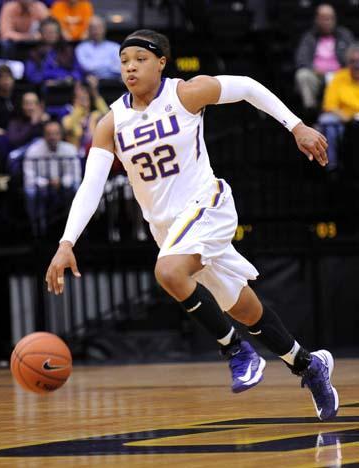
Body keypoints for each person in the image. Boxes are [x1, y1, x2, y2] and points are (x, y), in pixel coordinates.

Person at [46, 30, 340, 421]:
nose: (130, 66)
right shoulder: (110, 123)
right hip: (169, 229)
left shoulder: (185, 93)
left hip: (207, 205)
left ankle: (235, 350)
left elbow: (248, 87)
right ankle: (308, 365)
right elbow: (91, 185)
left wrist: (296, 126)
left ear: (162, 62)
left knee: (167, 271)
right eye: (124, 61)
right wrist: (67, 242)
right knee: (243, 307)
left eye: (140, 58)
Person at [23, 120, 80, 235]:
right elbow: (29, 180)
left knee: (77, 189)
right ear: (44, 135)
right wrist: (48, 183)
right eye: (49, 134)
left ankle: (75, 230)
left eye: (56, 133)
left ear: (61, 135)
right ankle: (38, 230)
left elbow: (76, 176)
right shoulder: (33, 151)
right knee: (30, 192)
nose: (52, 137)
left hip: (65, 186)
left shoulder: (70, 150)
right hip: (42, 187)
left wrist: (62, 182)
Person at [294, 3, 354, 112]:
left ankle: (349, 110)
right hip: (317, 74)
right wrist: (316, 70)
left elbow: (354, 56)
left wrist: (342, 72)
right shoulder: (309, 37)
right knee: (302, 75)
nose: (328, 22)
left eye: (330, 18)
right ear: (317, 19)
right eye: (324, 18)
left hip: (341, 74)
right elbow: (301, 60)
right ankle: (310, 110)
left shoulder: (344, 35)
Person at [317, 44, 359, 171]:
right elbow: (329, 105)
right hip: (343, 118)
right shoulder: (339, 77)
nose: (357, 65)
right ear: (348, 63)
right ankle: (332, 166)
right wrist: (344, 116)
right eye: (353, 61)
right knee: (327, 122)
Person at [62, 76, 108, 150]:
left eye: (86, 98)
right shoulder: (68, 115)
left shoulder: (95, 115)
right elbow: (69, 127)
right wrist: (79, 108)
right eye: (80, 98)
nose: (83, 99)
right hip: (75, 154)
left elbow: (108, 116)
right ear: (74, 99)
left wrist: (94, 92)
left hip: (93, 151)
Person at [75, 16, 121, 80]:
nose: (96, 30)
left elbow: (119, 68)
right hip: (89, 82)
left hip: (113, 83)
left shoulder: (115, 47)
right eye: (93, 28)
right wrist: (108, 66)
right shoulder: (81, 48)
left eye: (99, 27)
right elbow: (86, 67)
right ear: (88, 30)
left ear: (104, 29)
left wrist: (98, 67)